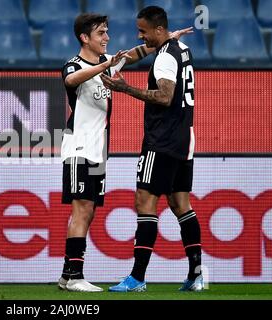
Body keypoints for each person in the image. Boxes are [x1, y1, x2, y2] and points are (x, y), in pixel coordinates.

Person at [58, 12, 193, 292]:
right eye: (101, 34)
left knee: (89, 210)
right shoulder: (73, 65)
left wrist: (167, 39)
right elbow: (72, 81)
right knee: (81, 209)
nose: (107, 38)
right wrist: (106, 64)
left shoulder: (107, 64)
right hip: (79, 146)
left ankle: (68, 273)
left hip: (99, 150)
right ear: (85, 38)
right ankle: (73, 275)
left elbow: (135, 54)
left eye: (107, 32)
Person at [100, 6, 203, 292]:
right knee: (181, 204)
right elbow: (134, 55)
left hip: (161, 139)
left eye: (144, 31)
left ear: (159, 30)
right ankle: (196, 276)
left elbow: (165, 96)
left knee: (145, 202)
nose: (139, 36)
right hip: (184, 137)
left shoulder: (165, 57)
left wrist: (125, 89)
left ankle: (137, 278)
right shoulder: (180, 47)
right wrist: (163, 38)